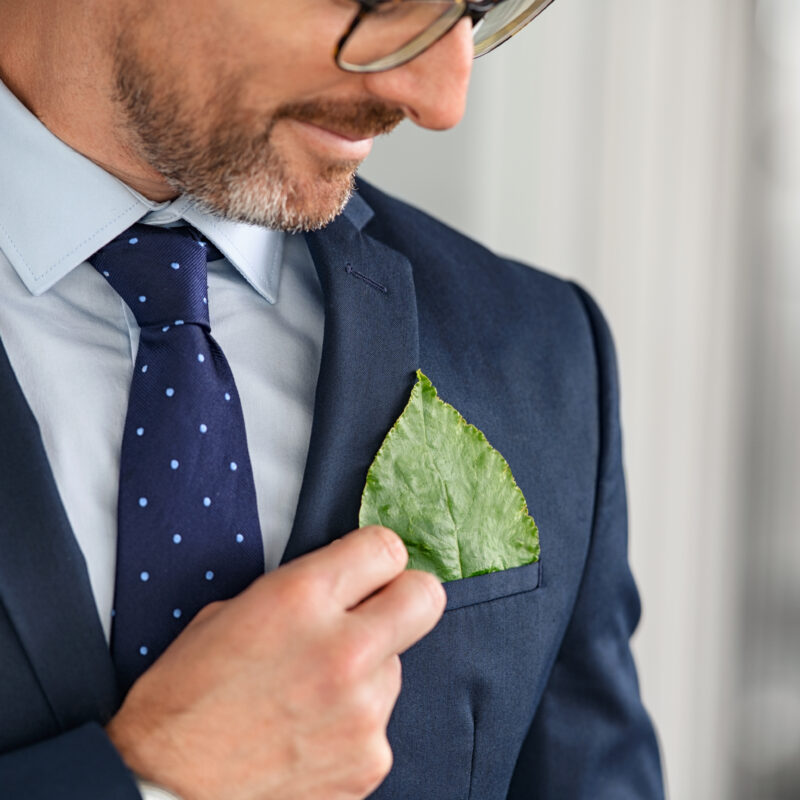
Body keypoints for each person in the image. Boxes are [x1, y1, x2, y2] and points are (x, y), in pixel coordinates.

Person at [0, 1, 665, 798]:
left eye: (477, 8)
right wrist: (157, 780)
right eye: (384, 2)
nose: (442, 99)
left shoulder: (541, 356)